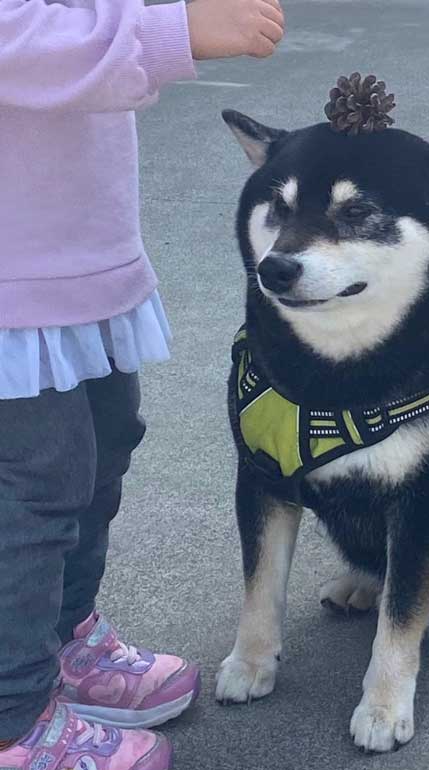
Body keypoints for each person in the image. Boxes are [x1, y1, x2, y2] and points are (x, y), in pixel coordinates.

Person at [0, 1, 284, 769]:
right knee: (31, 488)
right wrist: (167, 32)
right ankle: (11, 716)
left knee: (98, 457)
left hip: (78, 248)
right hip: (13, 270)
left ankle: (58, 642)